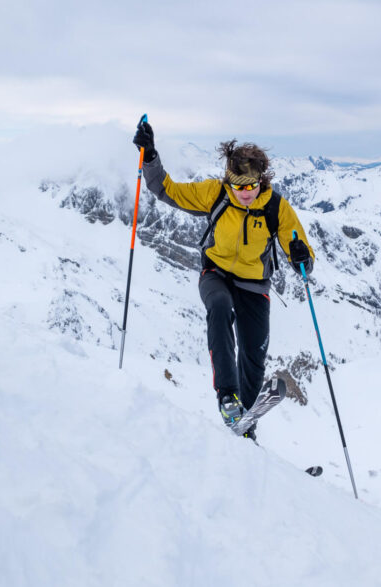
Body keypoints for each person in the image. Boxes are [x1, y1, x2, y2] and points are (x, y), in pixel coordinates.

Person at [133, 119, 315, 439]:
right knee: (218, 305)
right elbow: (167, 190)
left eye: (251, 186)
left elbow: (301, 255)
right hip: (215, 273)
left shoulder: (276, 208)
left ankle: (245, 426)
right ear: (229, 182)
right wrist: (149, 157)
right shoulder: (214, 194)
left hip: (255, 285)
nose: (245, 193)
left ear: (261, 180)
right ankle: (227, 398)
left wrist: (301, 257)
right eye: (238, 186)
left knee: (254, 358)